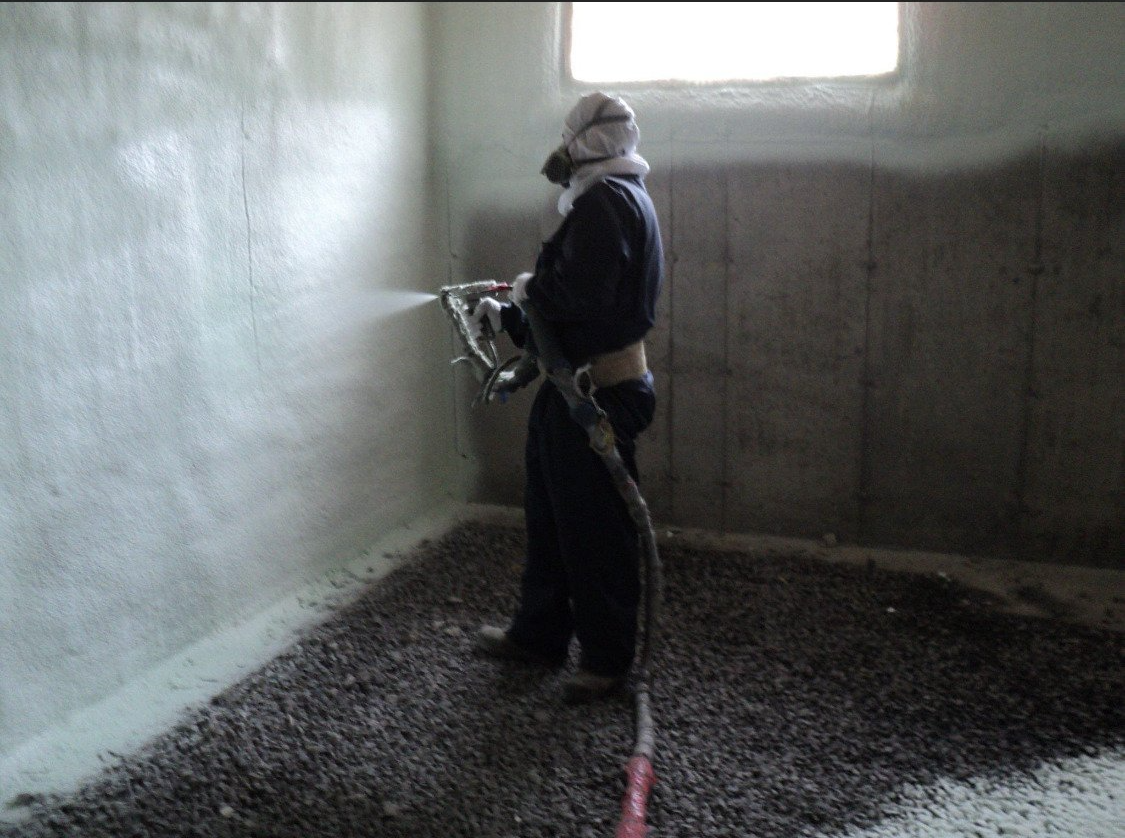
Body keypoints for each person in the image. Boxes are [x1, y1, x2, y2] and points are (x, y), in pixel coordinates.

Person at [467, 92, 664, 704]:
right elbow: (576, 310)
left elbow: (578, 298)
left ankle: (607, 661)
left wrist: (525, 297)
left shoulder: (607, 203)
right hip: (573, 388)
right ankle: (539, 635)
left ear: (583, 143)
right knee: (551, 516)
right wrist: (516, 314)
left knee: (594, 527)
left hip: (597, 394)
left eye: (567, 138)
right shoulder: (617, 198)